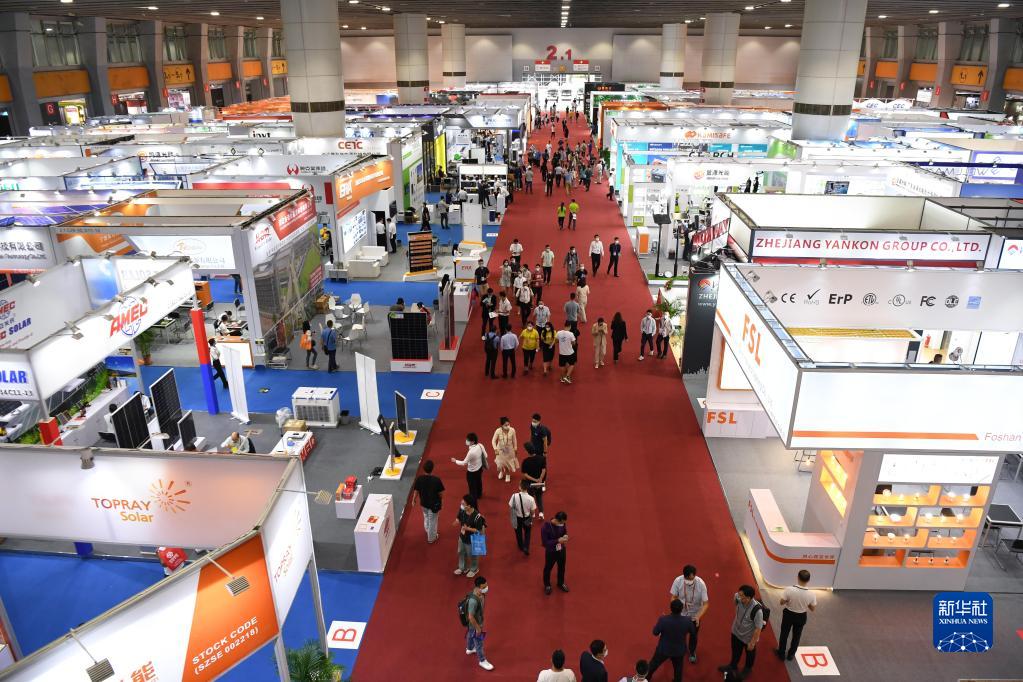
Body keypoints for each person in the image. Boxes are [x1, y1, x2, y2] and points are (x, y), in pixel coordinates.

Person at [717, 585, 764, 680]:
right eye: (739, 594)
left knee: (749, 655)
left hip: (748, 638)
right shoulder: (737, 597)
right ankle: (733, 665)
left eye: (742, 596)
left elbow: (758, 628)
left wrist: (752, 643)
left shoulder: (757, 611)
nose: (739, 597)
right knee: (735, 651)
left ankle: (747, 669)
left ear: (749, 598)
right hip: (736, 632)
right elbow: (735, 603)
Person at [647, 599, 696, 682]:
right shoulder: (687, 621)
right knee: (678, 670)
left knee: (653, 665)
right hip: (679, 651)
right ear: (681, 609)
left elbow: (655, 632)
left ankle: (645, 678)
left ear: (670, 608)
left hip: (664, 649)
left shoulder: (663, 620)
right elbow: (693, 632)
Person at [669, 564, 710, 664]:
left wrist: (698, 616)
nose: (690, 582)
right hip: (681, 614)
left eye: (692, 579)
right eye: (688, 579)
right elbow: (673, 597)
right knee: (678, 634)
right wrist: (676, 608)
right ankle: (677, 649)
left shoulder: (701, 584)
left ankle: (692, 652)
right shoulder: (678, 581)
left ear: (695, 575)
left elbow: (706, 604)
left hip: (695, 615)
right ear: (684, 576)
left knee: (693, 635)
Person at [776, 569, 816, 662]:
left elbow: (781, 602)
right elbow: (812, 608)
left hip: (788, 615)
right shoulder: (812, 594)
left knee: (784, 634)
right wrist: (805, 603)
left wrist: (788, 600)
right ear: (808, 580)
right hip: (801, 616)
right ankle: (791, 655)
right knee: (796, 636)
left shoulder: (789, 589)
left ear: (797, 577)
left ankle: (781, 654)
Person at [462, 575, 494, 671]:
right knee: (479, 642)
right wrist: (478, 628)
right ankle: (482, 660)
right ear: (478, 587)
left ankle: (469, 648)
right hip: (475, 623)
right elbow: (470, 617)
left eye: (486, 585)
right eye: (484, 587)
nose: (486, 588)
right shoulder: (473, 601)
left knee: (470, 633)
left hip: (474, 623)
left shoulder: (480, 594)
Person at [412, 460, 445, 543]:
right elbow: (441, 493)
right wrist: (442, 502)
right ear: (432, 469)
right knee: (433, 521)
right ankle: (431, 538)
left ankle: (427, 530)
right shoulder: (436, 480)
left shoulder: (419, 479)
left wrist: (413, 500)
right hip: (433, 505)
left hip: (423, 504)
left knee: (426, 517)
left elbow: (416, 491)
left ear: (424, 468)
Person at [541, 511, 570, 594]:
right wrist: (557, 541)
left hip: (561, 550)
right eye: (562, 523)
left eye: (564, 523)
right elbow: (545, 543)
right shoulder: (545, 527)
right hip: (551, 552)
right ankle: (547, 585)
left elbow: (564, 531)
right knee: (548, 568)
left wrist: (565, 535)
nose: (563, 524)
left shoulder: (562, 523)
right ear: (557, 520)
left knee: (562, 567)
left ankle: (560, 583)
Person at [451, 433, 487, 501]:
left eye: (468, 440)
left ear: (472, 442)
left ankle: (473, 499)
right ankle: (479, 495)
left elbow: (464, 463)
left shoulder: (471, 452)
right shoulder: (480, 445)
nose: (466, 441)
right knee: (479, 482)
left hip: (472, 472)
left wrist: (455, 461)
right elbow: (486, 455)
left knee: (472, 486)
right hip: (480, 469)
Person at [509, 479, 537, 555]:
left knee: (518, 532)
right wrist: (531, 518)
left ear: (520, 487)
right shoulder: (531, 499)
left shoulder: (514, 496)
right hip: (527, 518)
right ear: (527, 488)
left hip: (517, 518)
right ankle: (526, 547)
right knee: (527, 532)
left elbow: (511, 507)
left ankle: (521, 546)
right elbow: (532, 511)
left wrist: (512, 518)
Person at [491, 416, 519, 482]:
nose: (507, 426)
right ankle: (501, 471)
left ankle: (507, 474)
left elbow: (514, 440)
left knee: (507, 463)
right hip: (500, 450)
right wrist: (495, 449)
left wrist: (515, 448)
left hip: (509, 450)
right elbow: (493, 441)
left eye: (508, 424)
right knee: (500, 463)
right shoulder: (498, 431)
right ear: (502, 425)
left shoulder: (512, 430)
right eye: (505, 425)